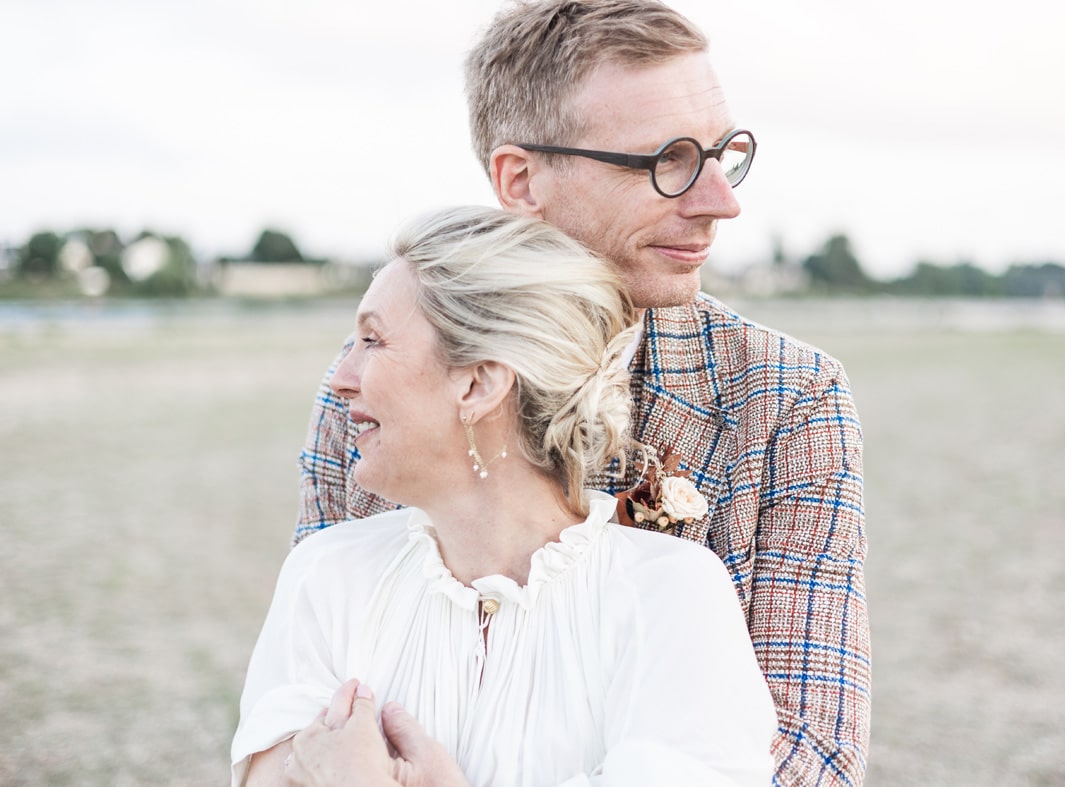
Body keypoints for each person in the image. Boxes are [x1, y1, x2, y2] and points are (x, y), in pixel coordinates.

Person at [295, 2, 870, 784]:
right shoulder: (371, 388)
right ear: (521, 178)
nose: (719, 201)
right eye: (668, 159)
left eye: (721, 153)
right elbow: (321, 720)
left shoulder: (787, 399)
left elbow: (814, 759)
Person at [233, 206, 778, 785]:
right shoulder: (326, 574)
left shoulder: (671, 592)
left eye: (372, 340)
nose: (341, 376)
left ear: (479, 383)